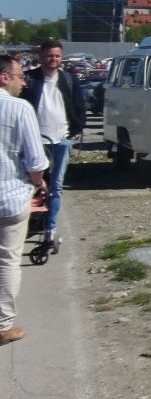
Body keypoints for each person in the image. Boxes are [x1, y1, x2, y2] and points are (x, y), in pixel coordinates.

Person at [20, 40, 86, 253]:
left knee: (56, 186)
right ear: (41, 57)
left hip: (62, 139)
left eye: (57, 56)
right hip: (35, 141)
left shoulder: (68, 79)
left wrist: (77, 127)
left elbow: (79, 105)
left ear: (61, 57)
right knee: (33, 185)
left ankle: (50, 228)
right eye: (49, 55)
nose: (53, 59)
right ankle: (26, 224)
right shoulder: (29, 79)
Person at [1, 55, 48, 347]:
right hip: (9, 197)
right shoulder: (19, 108)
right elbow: (35, 161)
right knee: (7, 260)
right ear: (4, 77)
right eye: (20, 76)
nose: (24, 83)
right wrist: (38, 182)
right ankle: (2, 324)